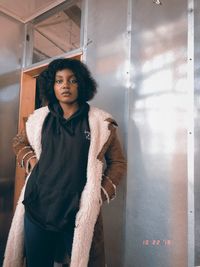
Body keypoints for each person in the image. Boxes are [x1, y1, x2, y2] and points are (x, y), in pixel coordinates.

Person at [3, 58, 127, 267]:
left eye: (72, 80)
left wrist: (99, 194)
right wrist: (31, 158)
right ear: (52, 86)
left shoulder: (100, 122)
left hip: (76, 212)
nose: (65, 86)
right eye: (59, 81)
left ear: (82, 84)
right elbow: (18, 142)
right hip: (37, 208)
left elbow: (118, 162)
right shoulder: (39, 119)